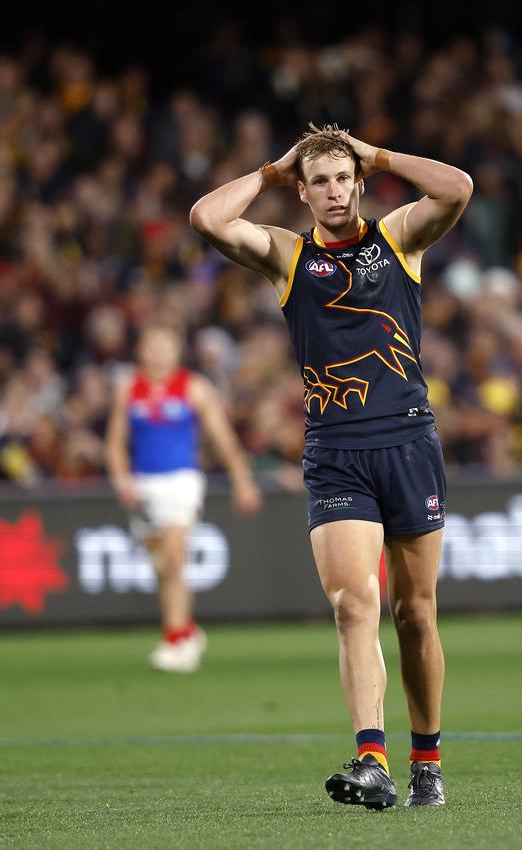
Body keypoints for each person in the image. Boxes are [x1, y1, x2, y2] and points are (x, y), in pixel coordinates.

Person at [189, 124, 472, 808]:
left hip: (407, 444)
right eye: (320, 181)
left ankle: (426, 758)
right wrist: (270, 170)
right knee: (353, 604)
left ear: (361, 183)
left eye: (344, 178)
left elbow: (457, 187)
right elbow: (207, 217)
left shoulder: (398, 239)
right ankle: (371, 758)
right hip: (336, 452)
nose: (334, 190)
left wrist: (375, 153)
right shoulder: (289, 254)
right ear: (306, 190)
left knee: (414, 613)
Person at [106, 322, 262, 672]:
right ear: (141, 350)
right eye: (153, 344)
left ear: (177, 351)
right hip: (144, 482)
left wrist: (242, 481)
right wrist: (120, 478)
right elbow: (116, 441)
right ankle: (185, 630)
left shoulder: (192, 387)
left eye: (166, 344)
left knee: (175, 558)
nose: (159, 352)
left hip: (182, 481)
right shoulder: (129, 388)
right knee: (161, 565)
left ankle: (176, 637)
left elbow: (222, 439)